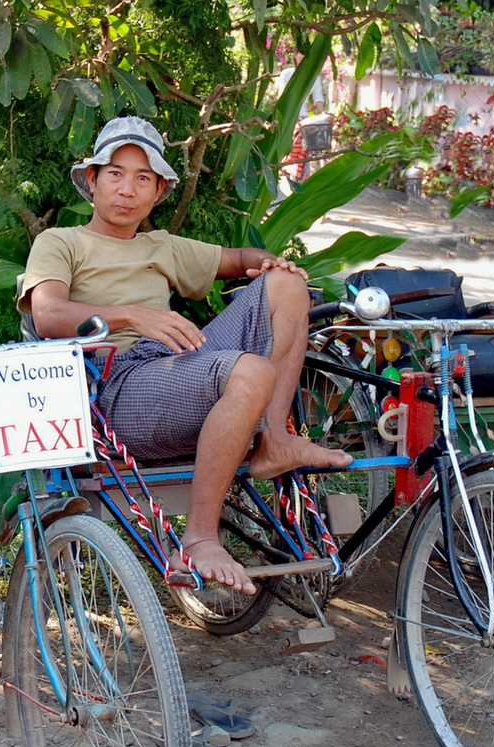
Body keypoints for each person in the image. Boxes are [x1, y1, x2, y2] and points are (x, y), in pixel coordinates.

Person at [20, 116, 351, 595]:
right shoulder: (62, 241)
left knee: (288, 284)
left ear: (159, 191)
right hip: (113, 389)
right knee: (251, 370)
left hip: (172, 364)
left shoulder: (161, 246)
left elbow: (234, 259)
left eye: (143, 179)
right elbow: (48, 314)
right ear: (91, 181)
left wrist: (269, 264)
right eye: (115, 174)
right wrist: (132, 316)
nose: (127, 189)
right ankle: (198, 538)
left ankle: (273, 438)